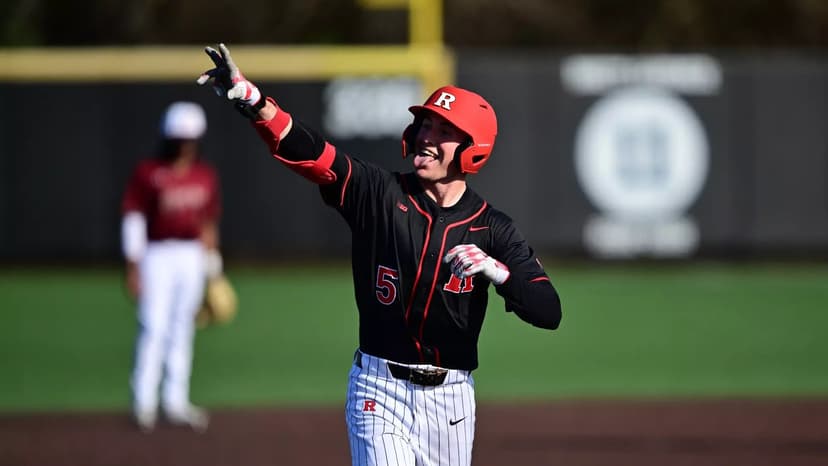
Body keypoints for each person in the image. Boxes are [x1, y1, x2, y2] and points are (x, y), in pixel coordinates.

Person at [198, 43, 562, 464]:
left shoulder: (492, 226)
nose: (426, 137)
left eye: (443, 131)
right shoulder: (379, 193)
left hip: (451, 402)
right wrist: (254, 102)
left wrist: (499, 273)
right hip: (378, 388)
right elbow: (315, 156)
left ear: (472, 146)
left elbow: (549, 310)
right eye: (425, 125)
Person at [121, 101, 223, 433]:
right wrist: (133, 263)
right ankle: (143, 402)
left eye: (189, 138)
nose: (184, 144)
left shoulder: (204, 175)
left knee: (182, 327)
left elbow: (208, 224)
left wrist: (213, 270)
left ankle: (175, 401)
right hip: (157, 253)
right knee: (153, 325)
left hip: (191, 255)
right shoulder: (149, 172)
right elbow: (134, 217)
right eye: (180, 138)